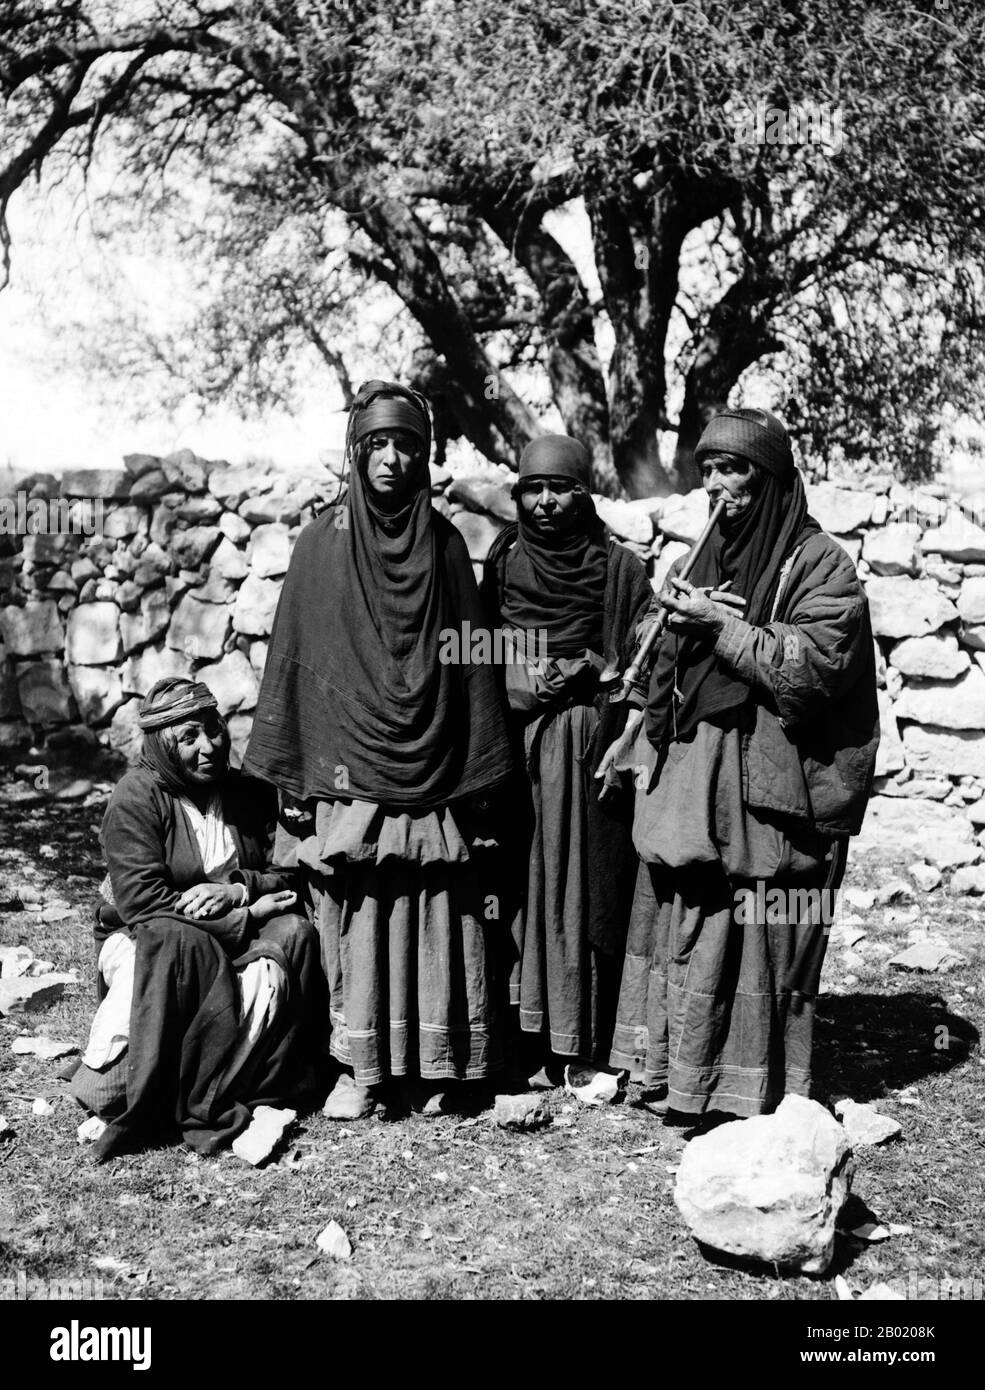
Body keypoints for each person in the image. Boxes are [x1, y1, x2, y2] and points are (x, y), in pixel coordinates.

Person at [599, 408, 879, 1120]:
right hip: (691, 778)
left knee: (750, 920)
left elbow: (814, 667)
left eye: (736, 470)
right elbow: (652, 647)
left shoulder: (819, 562)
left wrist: (722, 628)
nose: (720, 486)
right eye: (710, 471)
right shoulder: (700, 555)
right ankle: (669, 1075)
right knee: (683, 907)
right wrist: (667, 628)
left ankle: (742, 1088)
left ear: (773, 477)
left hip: (765, 785)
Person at [244, 380, 513, 1119]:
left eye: (408, 446)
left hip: (433, 764)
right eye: (378, 445)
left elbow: (472, 660)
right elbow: (298, 660)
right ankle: (353, 1068)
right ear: (356, 453)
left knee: (432, 906)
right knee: (357, 906)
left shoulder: (448, 545)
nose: (392, 460)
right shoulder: (320, 544)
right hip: (348, 766)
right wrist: (298, 761)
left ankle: (439, 1066)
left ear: (424, 456)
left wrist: (476, 759)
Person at [71, 677, 324, 1161]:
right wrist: (244, 917)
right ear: (162, 747)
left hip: (228, 920)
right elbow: (143, 904)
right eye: (189, 738)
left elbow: (285, 870)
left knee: (294, 934)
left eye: (214, 730)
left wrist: (235, 888)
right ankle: (148, 1090)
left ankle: (244, 1081)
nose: (209, 747)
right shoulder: (136, 797)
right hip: (147, 937)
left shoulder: (244, 793)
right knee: (180, 945)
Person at [481, 435, 655, 1091]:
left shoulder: (619, 570)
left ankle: (582, 1035)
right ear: (519, 494)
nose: (547, 502)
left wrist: (592, 669)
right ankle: (523, 1033)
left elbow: (642, 659)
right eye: (534, 488)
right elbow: (476, 651)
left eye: (561, 488)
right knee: (523, 885)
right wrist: (526, 677)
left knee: (584, 886)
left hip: (590, 747)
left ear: (584, 494)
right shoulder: (502, 564)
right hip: (518, 743)